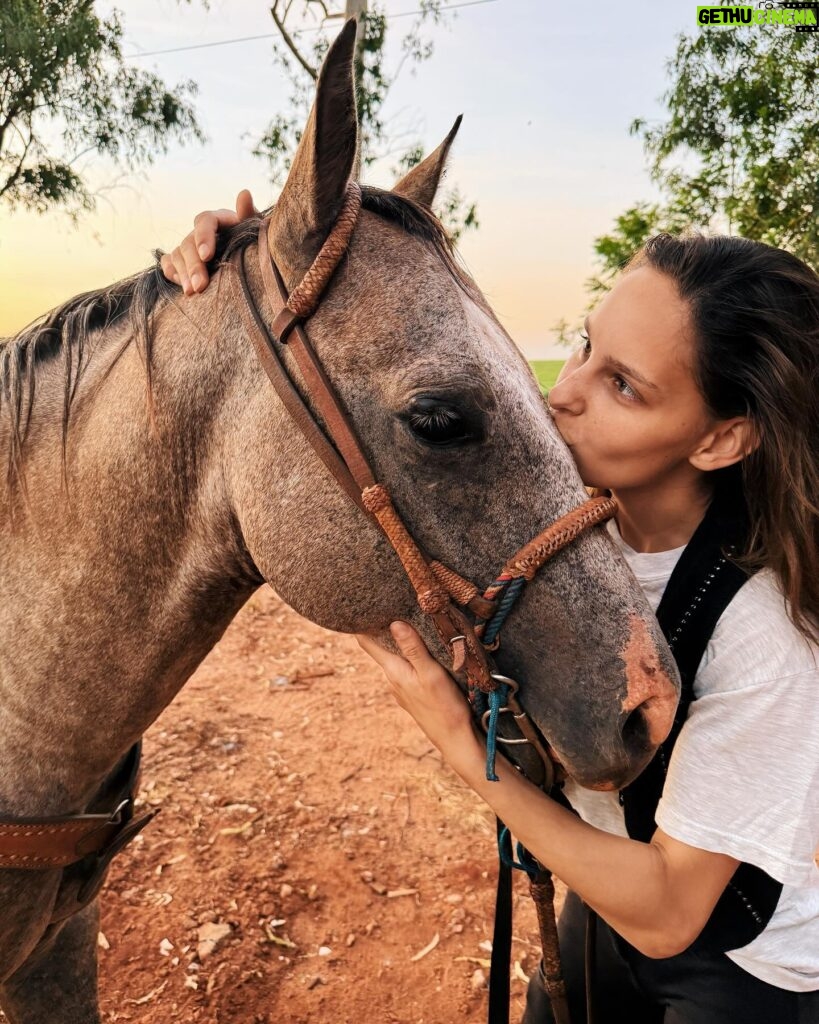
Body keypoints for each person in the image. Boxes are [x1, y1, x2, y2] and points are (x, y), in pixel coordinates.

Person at [163, 196, 819, 1023]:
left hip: (735, 972)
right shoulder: (563, 528)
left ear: (719, 439)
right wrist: (247, 268)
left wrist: (461, 747)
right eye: (585, 348)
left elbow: (667, 914)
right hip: (597, 897)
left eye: (622, 384)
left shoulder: (764, 634)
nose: (565, 393)